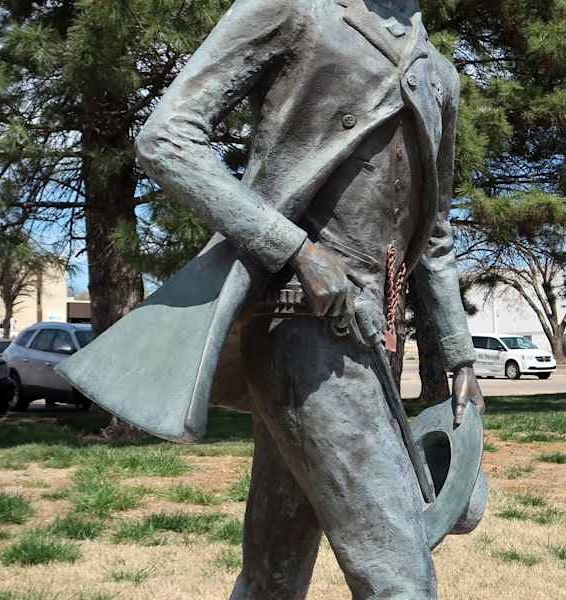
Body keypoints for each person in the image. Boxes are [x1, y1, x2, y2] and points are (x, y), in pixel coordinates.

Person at [134, 1, 485, 598]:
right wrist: (296, 249)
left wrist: (460, 354)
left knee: (272, 575)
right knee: (401, 579)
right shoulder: (293, 10)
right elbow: (166, 139)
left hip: (372, 342)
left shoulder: (438, 74)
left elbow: (435, 234)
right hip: (296, 325)